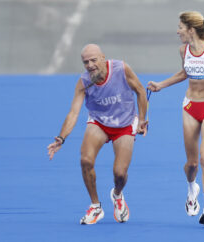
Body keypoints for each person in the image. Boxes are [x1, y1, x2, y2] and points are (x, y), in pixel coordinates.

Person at [147, 11, 204, 226]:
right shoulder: (184, 50)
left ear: (191, 30)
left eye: (180, 27)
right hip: (190, 107)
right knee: (191, 163)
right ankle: (192, 188)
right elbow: (184, 73)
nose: (177, 31)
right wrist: (161, 85)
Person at [47, 44, 148, 225]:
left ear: (103, 58)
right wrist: (61, 138)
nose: (90, 65)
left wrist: (142, 120)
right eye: (86, 62)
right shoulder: (84, 82)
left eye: (94, 60)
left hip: (124, 124)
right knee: (85, 160)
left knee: (119, 173)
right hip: (99, 122)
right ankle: (95, 206)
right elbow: (73, 113)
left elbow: (140, 91)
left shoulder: (121, 69)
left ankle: (117, 195)